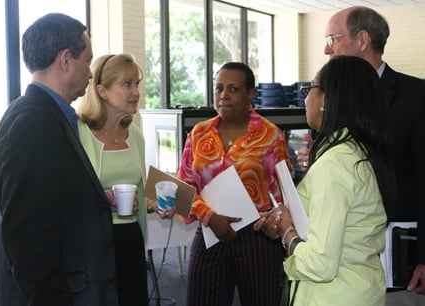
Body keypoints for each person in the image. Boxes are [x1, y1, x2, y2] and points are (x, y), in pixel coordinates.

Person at [297, 6, 425, 305]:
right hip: (336, 257)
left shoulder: (419, 98)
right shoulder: (332, 100)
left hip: (397, 257)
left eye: (332, 38)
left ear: (363, 39)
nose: (325, 49)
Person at [0, 13, 118, 305]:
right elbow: (30, 244)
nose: (91, 72)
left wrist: (92, 202)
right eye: (87, 60)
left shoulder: (44, 114)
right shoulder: (31, 124)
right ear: (66, 60)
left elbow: (49, 198)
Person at [256, 55, 397, 305]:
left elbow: (320, 264)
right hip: (355, 289)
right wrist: (284, 221)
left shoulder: (335, 164)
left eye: (310, 89)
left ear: (328, 100)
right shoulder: (356, 151)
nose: (306, 97)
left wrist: (287, 232)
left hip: (333, 296)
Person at [176, 62, 292, 306]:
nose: (223, 95)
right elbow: (183, 189)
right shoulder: (198, 133)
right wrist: (209, 217)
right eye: (218, 89)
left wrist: (285, 251)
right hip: (209, 233)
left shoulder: (271, 136)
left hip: (258, 240)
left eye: (233, 89)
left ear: (251, 94)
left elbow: (284, 197)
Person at [75, 53, 149, 305]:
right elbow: (68, 191)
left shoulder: (135, 135)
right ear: (102, 91)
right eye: (126, 84)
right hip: (93, 242)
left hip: (130, 237)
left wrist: (156, 203)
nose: (135, 92)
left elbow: (141, 189)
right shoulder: (79, 133)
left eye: (137, 84)